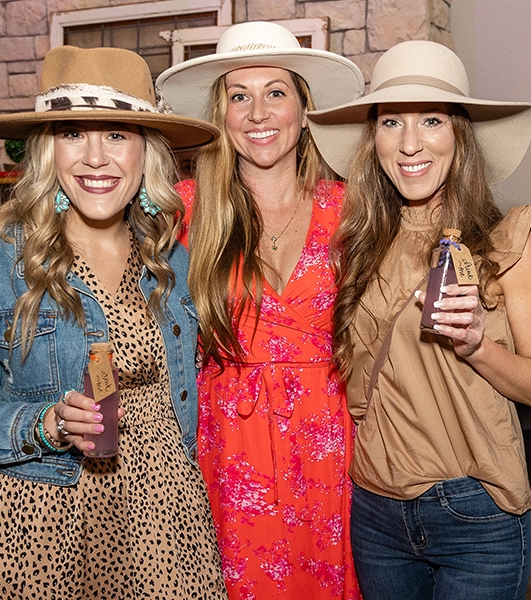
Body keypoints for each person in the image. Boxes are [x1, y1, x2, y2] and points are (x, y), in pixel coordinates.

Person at [0, 45, 228, 600]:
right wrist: (44, 425)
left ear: (146, 152)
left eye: (116, 135)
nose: (95, 158)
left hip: (167, 522)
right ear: (46, 151)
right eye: (73, 134)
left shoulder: (173, 259)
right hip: (40, 525)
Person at [307, 40, 531, 599]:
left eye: (431, 120)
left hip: (477, 514)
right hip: (374, 510)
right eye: (391, 122)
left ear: (460, 137)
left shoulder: (510, 246)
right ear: (372, 138)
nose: (409, 144)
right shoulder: (356, 242)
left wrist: (478, 345)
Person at [156, 21, 365, 600]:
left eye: (276, 91)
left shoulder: (351, 211)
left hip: (331, 443)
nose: (258, 112)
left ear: (303, 108)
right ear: (221, 116)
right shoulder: (184, 211)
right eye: (238, 96)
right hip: (225, 446)